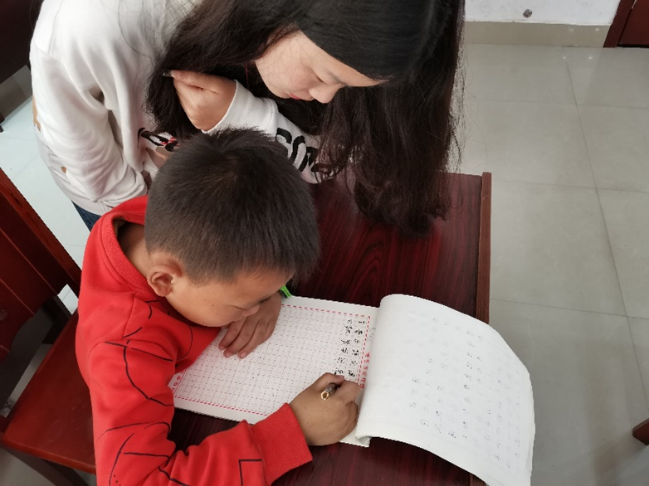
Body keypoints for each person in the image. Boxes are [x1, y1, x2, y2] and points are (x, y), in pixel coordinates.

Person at [76, 128, 361, 486]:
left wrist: (275, 293)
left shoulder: (183, 215)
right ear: (165, 281)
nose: (255, 310)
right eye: (244, 304)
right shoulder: (124, 348)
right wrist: (293, 432)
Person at [31, 0, 464, 234]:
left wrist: (243, 115)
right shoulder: (90, 23)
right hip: (122, 193)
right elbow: (88, 170)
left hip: (232, 183)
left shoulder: (335, 39)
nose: (325, 96)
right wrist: (157, 228)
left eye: (346, 86)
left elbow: (324, 162)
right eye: (322, 75)